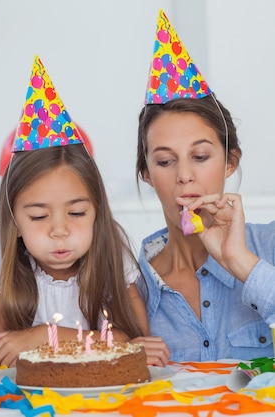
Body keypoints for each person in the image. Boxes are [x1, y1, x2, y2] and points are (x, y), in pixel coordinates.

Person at [0, 56, 169, 368]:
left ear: (97, 211)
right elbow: (0, 355)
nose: (59, 230)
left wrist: (44, 336)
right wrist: (96, 344)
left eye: (77, 213)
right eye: (39, 216)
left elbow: (137, 342)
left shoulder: (109, 244)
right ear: (13, 218)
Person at [136, 10, 275, 361]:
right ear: (147, 174)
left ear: (230, 162)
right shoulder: (130, 285)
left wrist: (240, 261)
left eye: (200, 156)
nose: (184, 175)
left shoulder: (270, 246)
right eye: (166, 161)